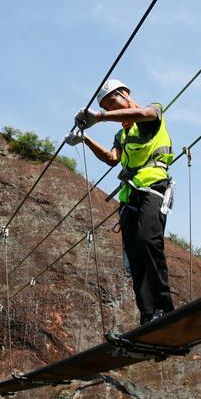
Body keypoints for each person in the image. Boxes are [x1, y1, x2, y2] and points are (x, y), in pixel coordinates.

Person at [67, 79, 175, 325]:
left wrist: (101, 116)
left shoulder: (152, 113)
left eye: (112, 103)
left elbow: (144, 113)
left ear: (126, 94)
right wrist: (85, 140)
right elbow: (111, 158)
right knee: (133, 256)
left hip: (153, 187)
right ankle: (148, 314)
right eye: (106, 106)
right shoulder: (122, 133)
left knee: (148, 241)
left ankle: (164, 308)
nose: (112, 110)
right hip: (129, 196)